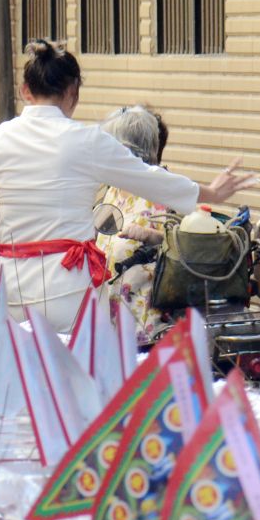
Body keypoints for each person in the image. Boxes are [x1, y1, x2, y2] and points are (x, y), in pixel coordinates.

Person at [0, 40, 257, 331]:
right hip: (69, 290)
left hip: (12, 289)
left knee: (23, 391)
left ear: (25, 91)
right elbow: (151, 179)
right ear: (72, 92)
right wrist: (210, 193)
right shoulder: (86, 141)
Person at [95, 106, 172, 345]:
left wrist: (151, 236)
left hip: (145, 322)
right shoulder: (113, 189)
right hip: (109, 313)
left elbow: (180, 242)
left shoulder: (161, 188)